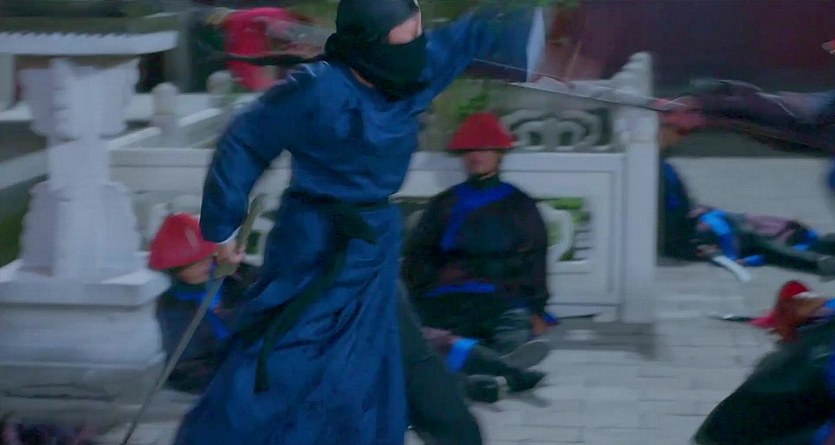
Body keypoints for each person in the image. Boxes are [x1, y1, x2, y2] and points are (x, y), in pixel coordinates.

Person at [172, 1, 547, 443]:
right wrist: (223, 227)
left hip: (374, 243)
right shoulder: (317, 88)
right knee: (291, 357)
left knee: (397, 352)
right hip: (315, 246)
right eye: (406, 37)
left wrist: (527, 29)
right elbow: (245, 140)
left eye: (418, 34)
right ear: (370, 40)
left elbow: (465, 37)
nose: (418, 47)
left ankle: (458, 432)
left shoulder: (414, 72)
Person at [402, 112, 552, 392]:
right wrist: (416, 299)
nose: (476, 156)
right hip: (449, 298)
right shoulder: (444, 204)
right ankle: (506, 372)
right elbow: (418, 257)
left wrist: (537, 309)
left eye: (484, 149)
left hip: (501, 297)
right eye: (470, 150)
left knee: (511, 334)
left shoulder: (519, 205)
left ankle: (484, 374)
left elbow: (535, 259)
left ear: (499, 155)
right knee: (436, 340)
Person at [656, 118, 835, 277]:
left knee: (783, 230)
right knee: (755, 239)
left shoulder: (660, 166)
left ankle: (821, 255)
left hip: (696, 225)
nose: (681, 138)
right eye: (679, 131)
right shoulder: (654, 171)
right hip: (688, 237)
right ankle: (818, 263)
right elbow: (669, 224)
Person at [148, 213, 258, 393]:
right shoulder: (172, 306)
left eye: (206, 257)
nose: (206, 264)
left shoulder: (237, 276)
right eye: (195, 263)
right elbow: (187, 362)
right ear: (176, 270)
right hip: (214, 372)